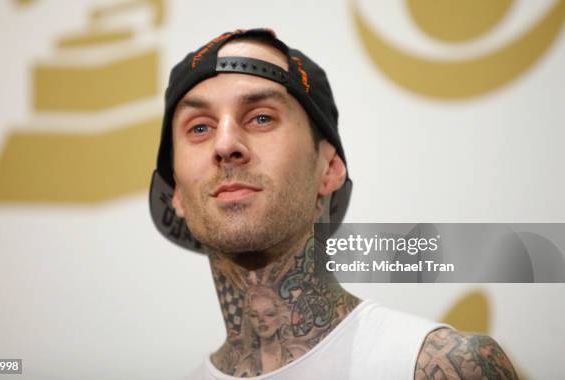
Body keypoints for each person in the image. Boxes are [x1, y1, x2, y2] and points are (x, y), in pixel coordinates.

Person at [149, 28, 518, 379]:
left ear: (329, 169)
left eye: (261, 118)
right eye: (199, 127)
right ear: (176, 193)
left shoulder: (441, 367)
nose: (225, 144)